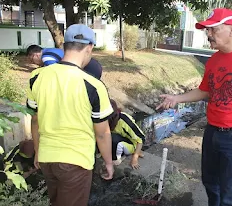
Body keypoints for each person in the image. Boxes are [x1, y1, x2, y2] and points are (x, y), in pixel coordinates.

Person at [157, 8, 232, 206]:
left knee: (230, 193)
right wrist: (177, 98)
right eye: (207, 30)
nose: (208, 34)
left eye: (213, 29)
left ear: (231, 29)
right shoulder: (214, 60)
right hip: (212, 132)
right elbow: (205, 91)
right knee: (211, 183)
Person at [26, 24, 114, 206]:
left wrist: (37, 152)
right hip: (76, 162)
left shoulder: (36, 77)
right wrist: (108, 162)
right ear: (89, 48)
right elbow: (102, 133)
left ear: (64, 46)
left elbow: (35, 120)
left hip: (47, 158)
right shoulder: (94, 86)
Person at [26, 45, 103, 79]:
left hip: (88, 69)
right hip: (92, 65)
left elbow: (55, 73)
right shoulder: (49, 50)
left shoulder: (46, 57)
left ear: (35, 55)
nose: (34, 63)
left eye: (32, 60)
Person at [108, 99, 145, 169]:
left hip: (129, 144)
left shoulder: (124, 120)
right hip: (118, 140)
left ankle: (117, 159)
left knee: (112, 138)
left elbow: (141, 138)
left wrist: (135, 158)